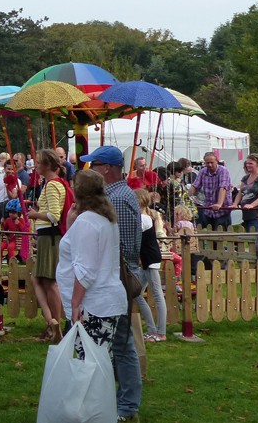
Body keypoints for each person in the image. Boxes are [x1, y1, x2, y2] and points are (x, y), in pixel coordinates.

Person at [81, 145, 142, 423]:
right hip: (116, 276)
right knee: (119, 344)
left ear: (106, 169)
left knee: (120, 344)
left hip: (117, 277)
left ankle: (126, 405)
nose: (90, 170)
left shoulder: (115, 200)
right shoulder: (118, 195)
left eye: (93, 165)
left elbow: (123, 249)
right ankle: (122, 401)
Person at [56, 170, 127, 360]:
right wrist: (71, 223)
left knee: (90, 364)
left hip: (94, 304)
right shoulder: (104, 219)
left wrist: (75, 303)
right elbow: (80, 250)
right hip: (104, 300)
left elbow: (86, 270)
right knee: (98, 361)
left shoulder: (87, 222)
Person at [27, 149, 65, 344]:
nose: (36, 166)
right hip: (47, 236)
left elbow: (54, 216)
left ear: (47, 165)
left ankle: (53, 323)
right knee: (40, 279)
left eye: (39, 163)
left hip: (50, 236)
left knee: (49, 281)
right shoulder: (55, 184)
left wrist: (35, 215)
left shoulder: (52, 186)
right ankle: (51, 321)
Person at [133, 189, 168, 343]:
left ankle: (161, 332)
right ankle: (152, 329)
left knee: (157, 295)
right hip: (146, 260)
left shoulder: (144, 219)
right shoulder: (143, 217)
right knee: (136, 293)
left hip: (151, 260)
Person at [190, 151, 232, 230]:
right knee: (209, 234)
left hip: (222, 210)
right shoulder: (202, 171)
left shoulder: (223, 171)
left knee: (221, 234)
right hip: (208, 209)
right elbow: (195, 186)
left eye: (212, 162)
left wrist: (219, 204)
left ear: (217, 161)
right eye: (207, 163)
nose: (209, 165)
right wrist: (185, 197)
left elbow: (223, 188)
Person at [235, 153, 258, 232]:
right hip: (246, 213)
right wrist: (235, 204)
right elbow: (240, 193)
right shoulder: (246, 177)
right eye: (247, 163)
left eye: (251, 163)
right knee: (250, 238)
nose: (248, 165)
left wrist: (252, 205)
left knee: (256, 238)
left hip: (257, 214)